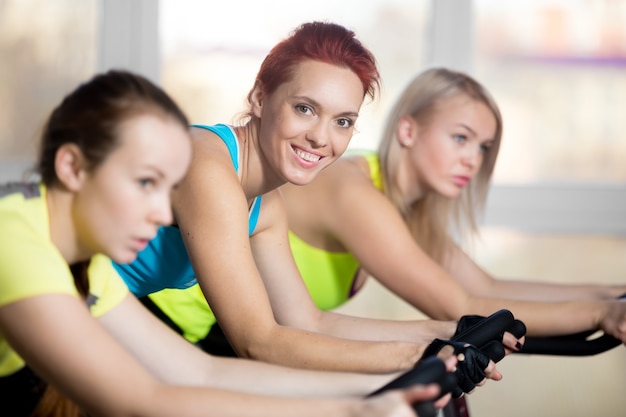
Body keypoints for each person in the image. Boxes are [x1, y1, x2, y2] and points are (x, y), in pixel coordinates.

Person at [0, 69, 449, 417]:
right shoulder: (15, 240)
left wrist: (378, 391)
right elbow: (141, 401)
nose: (162, 214)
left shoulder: (83, 263)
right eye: (143, 183)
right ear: (73, 168)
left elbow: (198, 371)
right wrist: (354, 409)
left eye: (165, 189)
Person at [114, 21, 518, 385]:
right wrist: (422, 355)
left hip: (109, 316)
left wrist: (450, 331)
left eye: (342, 121)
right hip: (68, 299)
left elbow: (310, 321)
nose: (321, 139)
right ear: (259, 97)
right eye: (305, 109)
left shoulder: (266, 205)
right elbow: (258, 341)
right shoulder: (208, 165)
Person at [276, 66, 626, 344]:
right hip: (225, 339)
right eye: (461, 138)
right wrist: (600, 315)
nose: (473, 160)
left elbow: (487, 288)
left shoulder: (400, 199)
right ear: (408, 132)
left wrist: (612, 295)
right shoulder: (355, 193)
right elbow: (462, 308)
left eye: (483, 147)